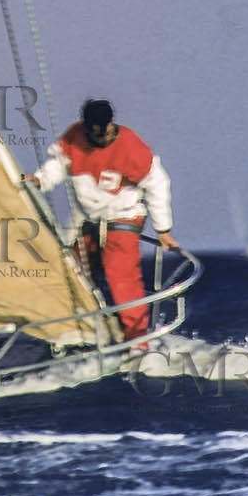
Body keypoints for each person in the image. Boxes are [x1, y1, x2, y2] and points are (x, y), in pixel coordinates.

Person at [22, 99, 176, 341]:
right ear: (86, 129)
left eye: (106, 132)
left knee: (121, 277)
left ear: (111, 124)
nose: (103, 139)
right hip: (88, 219)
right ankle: (80, 330)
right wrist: (40, 180)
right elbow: (58, 166)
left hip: (122, 217)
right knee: (69, 269)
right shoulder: (75, 139)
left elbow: (158, 184)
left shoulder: (131, 147)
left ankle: (138, 340)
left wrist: (163, 228)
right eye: (95, 134)